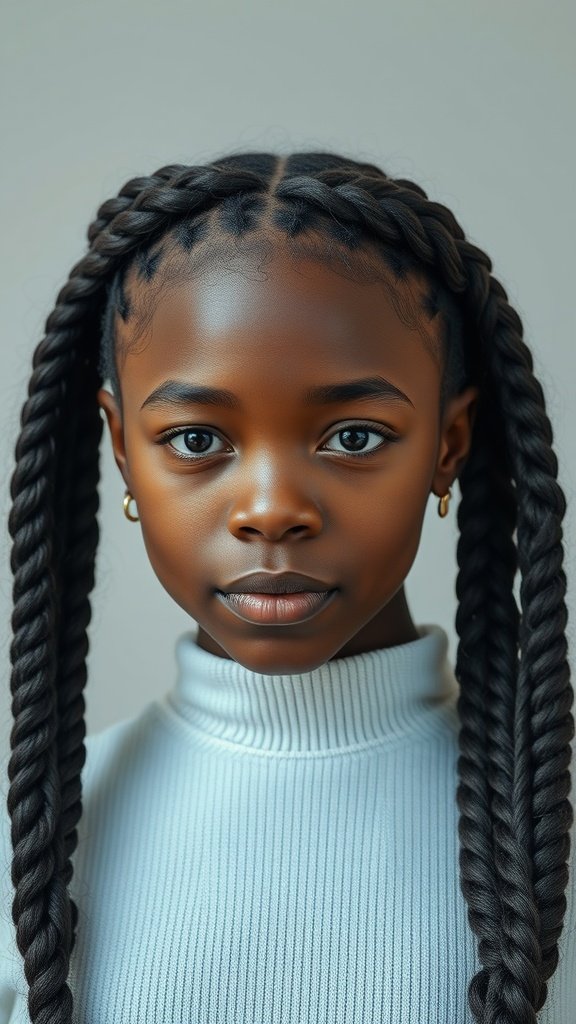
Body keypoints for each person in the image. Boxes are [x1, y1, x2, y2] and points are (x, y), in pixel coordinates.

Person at [1, 151, 574, 1024]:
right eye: (196, 440)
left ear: (449, 444)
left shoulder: (546, 855)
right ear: (121, 445)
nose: (272, 512)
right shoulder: (27, 856)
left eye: (352, 436)